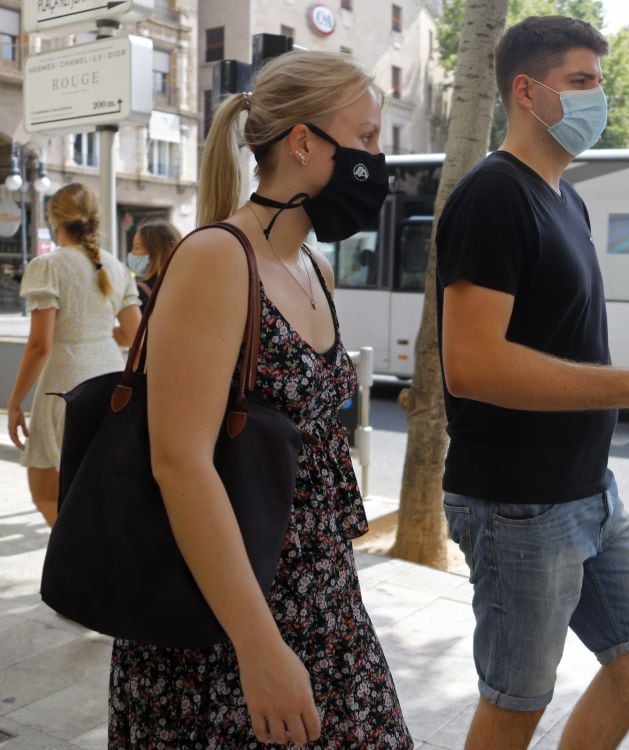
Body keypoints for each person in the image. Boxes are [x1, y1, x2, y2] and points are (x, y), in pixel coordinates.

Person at [108, 51, 412, 747]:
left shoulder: (314, 268)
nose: (376, 159)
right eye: (365, 138)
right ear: (303, 142)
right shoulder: (217, 258)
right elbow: (180, 463)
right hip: (226, 627)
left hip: (324, 604)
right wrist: (260, 648)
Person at [436, 16, 629, 750]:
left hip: (587, 491)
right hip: (520, 505)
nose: (600, 97)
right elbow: (472, 364)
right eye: (582, 82)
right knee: (516, 702)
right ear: (527, 92)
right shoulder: (493, 195)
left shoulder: (567, 199)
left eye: (600, 82)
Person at [6, 183, 141, 527]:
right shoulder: (114, 266)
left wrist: (15, 402)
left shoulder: (48, 265)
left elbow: (40, 344)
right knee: (94, 489)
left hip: (65, 388)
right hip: (110, 380)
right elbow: (133, 334)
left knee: (47, 492)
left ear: (55, 219)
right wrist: (93, 333)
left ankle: (81, 568)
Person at [127, 217, 180, 308]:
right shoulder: (186, 286)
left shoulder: (139, 293)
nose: (131, 253)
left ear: (156, 252)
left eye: (137, 247)